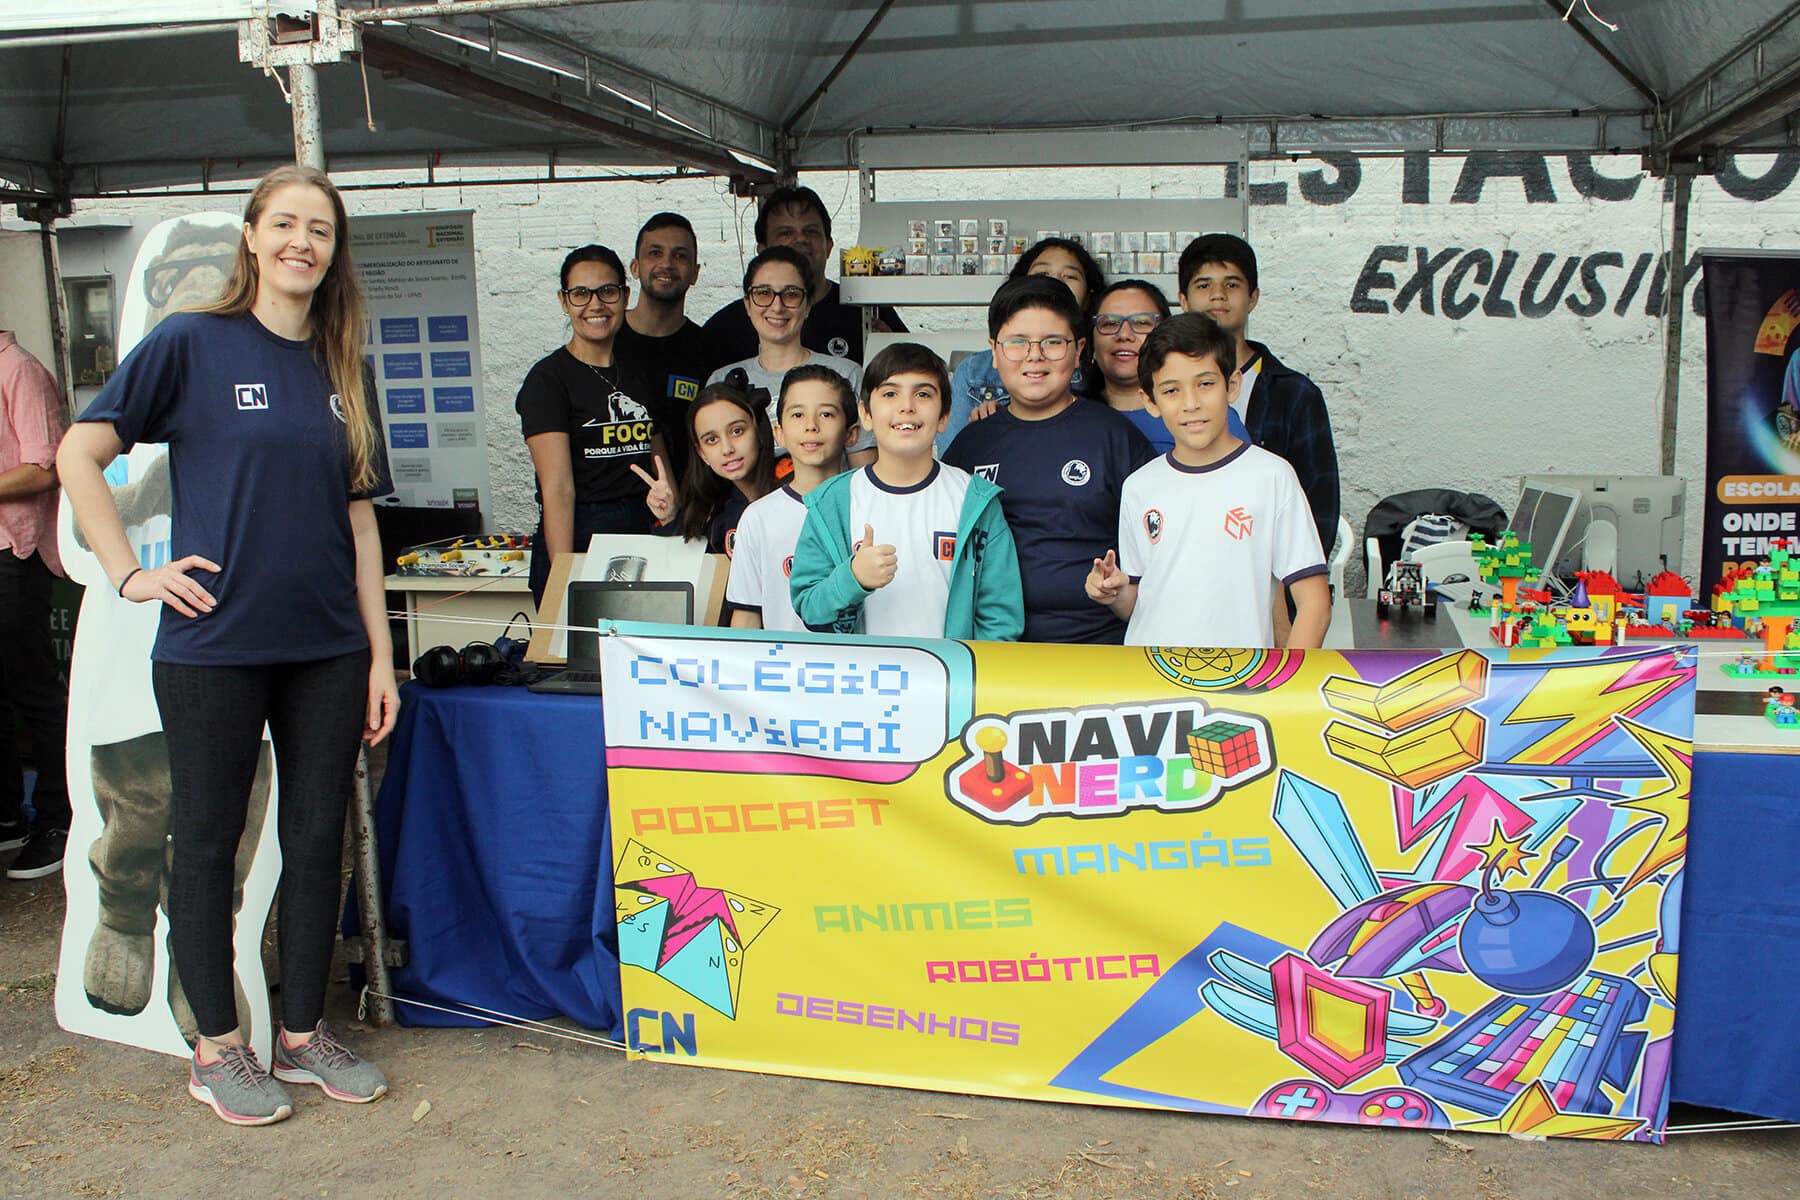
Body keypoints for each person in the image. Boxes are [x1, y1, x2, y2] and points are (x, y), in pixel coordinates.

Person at [58, 163, 397, 1127]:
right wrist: (129, 573)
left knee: (315, 839)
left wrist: (380, 656)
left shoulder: (342, 363)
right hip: (214, 649)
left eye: (319, 230)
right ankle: (215, 1049)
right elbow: (80, 452)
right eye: (285, 224)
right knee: (205, 844)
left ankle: (302, 1035)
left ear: (333, 251)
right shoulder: (191, 343)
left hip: (328, 648)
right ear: (252, 236)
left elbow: (360, 522)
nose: (302, 243)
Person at [1086, 313, 1329, 650]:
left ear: (1232, 385)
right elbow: (1141, 604)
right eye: (1171, 390)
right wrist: (1113, 593)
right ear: (1150, 401)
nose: (1191, 404)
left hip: (1240, 675)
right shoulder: (1140, 486)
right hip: (1151, 675)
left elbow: (1314, 604)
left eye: (1205, 384)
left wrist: (1286, 678)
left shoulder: (1272, 476)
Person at [942, 277, 1154, 644]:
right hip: (990, 648)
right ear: (994, 351)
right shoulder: (972, 444)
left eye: (1053, 342)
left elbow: (1157, 548)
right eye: (1017, 342)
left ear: (1079, 350)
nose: (1034, 356)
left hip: (1098, 647)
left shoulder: (1115, 437)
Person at [790, 343, 1023, 640]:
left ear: (944, 415)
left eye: (923, 394)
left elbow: (1001, 620)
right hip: (864, 670)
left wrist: (967, 669)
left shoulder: (975, 500)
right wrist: (853, 578)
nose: (906, 407)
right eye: (890, 394)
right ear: (865, 414)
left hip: (951, 670)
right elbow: (809, 608)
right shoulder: (832, 501)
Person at [517, 244, 671, 607]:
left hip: (644, 529)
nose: (595, 304)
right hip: (582, 532)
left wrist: (672, 520)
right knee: (579, 644)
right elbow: (558, 489)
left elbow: (659, 463)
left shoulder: (639, 373)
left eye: (607, 291)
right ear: (564, 301)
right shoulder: (548, 380)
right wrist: (564, 577)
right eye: (581, 293)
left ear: (625, 296)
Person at [1177, 233, 1339, 555]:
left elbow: (1319, 506)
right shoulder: (1166, 389)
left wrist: (1288, 580)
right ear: (1183, 299)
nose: (1218, 295)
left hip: (1268, 571)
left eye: (1232, 284)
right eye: (1204, 285)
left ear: (1253, 298)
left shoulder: (1294, 394)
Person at [0, 330, 71, 879]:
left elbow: (44, 469)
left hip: (13, 552)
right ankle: (9, 815)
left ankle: (59, 819)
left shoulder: (18, 369)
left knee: (34, 689)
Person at [706, 246, 872, 467]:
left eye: (791, 294)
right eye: (763, 293)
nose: (777, 307)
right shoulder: (722, 381)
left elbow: (862, 473)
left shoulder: (846, 374)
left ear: (808, 305)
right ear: (747, 304)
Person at [701, 185, 904, 364]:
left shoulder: (870, 312)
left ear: (829, 246)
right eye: (786, 233)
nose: (801, 239)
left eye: (811, 231)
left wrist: (893, 354)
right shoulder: (725, 329)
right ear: (762, 250)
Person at [938, 237, 1106, 452]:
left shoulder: (1101, 366)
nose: (1035, 355)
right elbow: (952, 457)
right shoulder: (974, 371)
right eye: (1042, 274)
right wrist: (984, 431)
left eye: (1070, 276)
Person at [727, 365, 859, 631]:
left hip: (864, 659)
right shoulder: (759, 517)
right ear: (779, 433)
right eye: (798, 414)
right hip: (785, 658)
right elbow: (747, 617)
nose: (811, 426)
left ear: (851, 433)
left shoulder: (871, 504)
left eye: (826, 414)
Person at [613, 212, 724, 481]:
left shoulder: (711, 351)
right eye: (655, 253)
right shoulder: (607, 341)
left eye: (680, 256)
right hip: (617, 499)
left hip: (691, 500)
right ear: (635, 268)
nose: (667, 264)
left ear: (695, 273)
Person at [1088, 278, 1248, 454]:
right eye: (1109, 323)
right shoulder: (1075, 416)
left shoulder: (1211, 419)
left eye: (1142, 322)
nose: (1124, 335)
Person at [637, 380, 777, 559]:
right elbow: (687, 566)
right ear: (702, 453)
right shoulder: (711, 513)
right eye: (712, 440)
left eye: (737, 431)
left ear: (759, 431)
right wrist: (668, 518)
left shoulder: (797, 491)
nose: (727, 449)